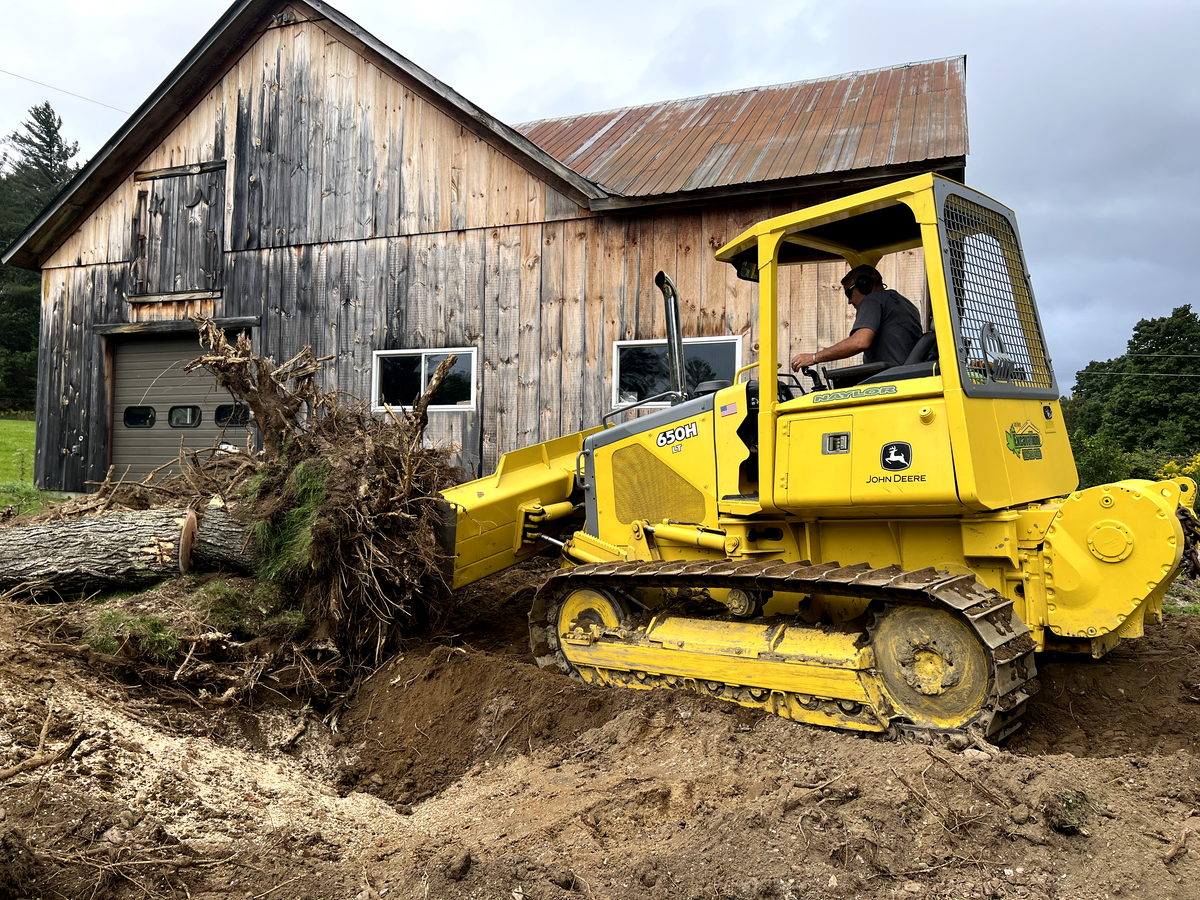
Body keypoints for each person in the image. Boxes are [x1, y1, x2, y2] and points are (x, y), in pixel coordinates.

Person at [790, 265, 923, 372]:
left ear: (864, 285)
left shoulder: (872, 300)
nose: (849, 301)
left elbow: (860, 342)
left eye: (849, 293)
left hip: (888, 381)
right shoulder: (908, 305)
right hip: (907, 377)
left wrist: (814, 357)